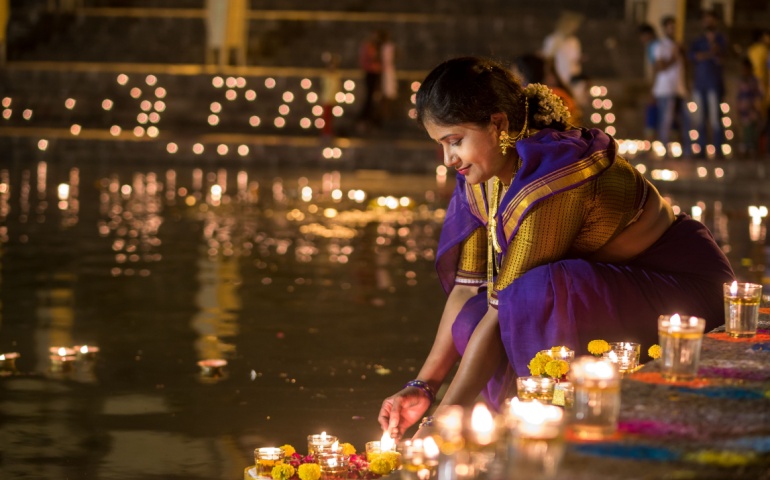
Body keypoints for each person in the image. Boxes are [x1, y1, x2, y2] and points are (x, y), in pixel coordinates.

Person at [377, 57, 734, 439]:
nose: (449, 159)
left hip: (681, 293)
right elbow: (466, 290)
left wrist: (439, 425)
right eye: (441, 146)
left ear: (498, 124)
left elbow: (506, 309)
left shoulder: (552, 175)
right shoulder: (481, 175)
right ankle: (507, 426)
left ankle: (549, 432)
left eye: (455, 142)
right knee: (471, 316)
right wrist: (423, 387)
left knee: (536, 293)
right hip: (610, 293)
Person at [688, 9, 727, 158]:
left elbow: (722, 58)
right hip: (700, 84)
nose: (708, 22)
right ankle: (702, 150)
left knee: (716, 119)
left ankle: (718, 150)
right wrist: (709, 54)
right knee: (700, 119)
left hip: (714, 85)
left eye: (710, 19)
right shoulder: (698, 41)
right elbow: (693, 56)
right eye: (706, 19)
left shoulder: (721, 40)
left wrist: (712, 51)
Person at [652, 16, 692, 157]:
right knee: (666, 121)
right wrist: (674, 57)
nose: (673, 30)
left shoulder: (679, 45)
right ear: (664, 29)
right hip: (665, 89)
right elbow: (659, 67)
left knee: (686, 121)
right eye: (670, 27)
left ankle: (687, 152)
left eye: (674, 27)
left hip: (679, 89)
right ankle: (665, 152)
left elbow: (685, 67)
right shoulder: (659, 46)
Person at [735, 57, 763, 158]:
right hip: (743, 109)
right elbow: (738, 96)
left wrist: (757, 107)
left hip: (752, 109)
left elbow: (759, 95)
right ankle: (744, 149)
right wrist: (737, 108)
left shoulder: (755, 81)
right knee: (744, 131)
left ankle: (752, 149)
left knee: (752, 129)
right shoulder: (741, 81)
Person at [357, 29, 383, 131]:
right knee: (369, 97)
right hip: (370, 73)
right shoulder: (368, 46)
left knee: (373, 97)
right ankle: (365, 119)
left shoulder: (377, 46)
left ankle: (370, 119)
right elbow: (367, 60)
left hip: (376, 73)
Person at [380, 30, 398, 125]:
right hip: (384, 71)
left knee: (389, 93)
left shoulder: (388, 46)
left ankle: (387, 115)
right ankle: (385, 115)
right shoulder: (382, 46)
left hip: (387, 71)